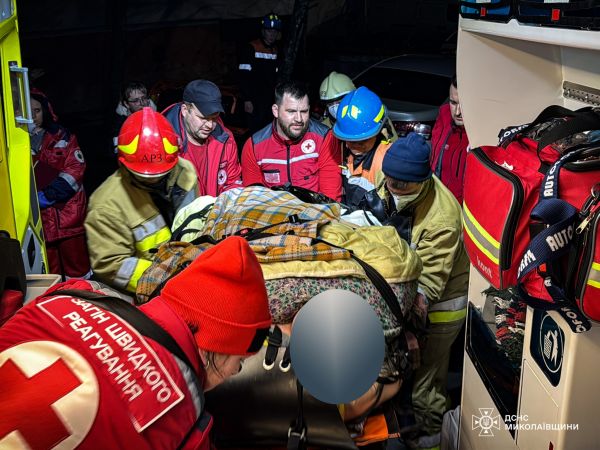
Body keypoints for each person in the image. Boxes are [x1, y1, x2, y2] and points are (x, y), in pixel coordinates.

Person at [0, 236, 272, 449]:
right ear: (217, 348)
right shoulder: (186, 424)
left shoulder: (73, 294)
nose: (231, 375)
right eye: (238, 364)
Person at [374, 133, 469, 450]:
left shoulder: (442, 218)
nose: (395, 191)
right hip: (408, 291)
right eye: (391, 184)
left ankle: (432, 441)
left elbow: (425, 289)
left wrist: (408, 331)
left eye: (404, 188)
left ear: (423, 181)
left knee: (425, 384)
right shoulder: (390, 178)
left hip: (441, 304)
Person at [85, 107, 198, 294]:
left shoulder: (185, 173)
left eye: (161, 173)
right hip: (143, 288)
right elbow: (113, 264)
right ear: (122, 162)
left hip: (188, 270)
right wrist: (166, 278)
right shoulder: (106, 205)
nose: (154, 179)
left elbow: (195, 225)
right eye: (144, 175)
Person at [241, 80, 342, 201]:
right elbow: (253, 198)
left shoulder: (325, 138)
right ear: (275, 111)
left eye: (304, 111)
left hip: (315, 214)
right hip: (272, 214)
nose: (299, 119)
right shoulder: (254, 146)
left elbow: (330, 198)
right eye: (291, 111)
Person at [29, 91, 92, 279]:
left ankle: (84, 303)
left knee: (78, 271)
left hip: (68, 216)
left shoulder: (63, 137)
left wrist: (48, 195)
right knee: (50, 274)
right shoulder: (17, 142)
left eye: (37, 110)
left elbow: (75, 169)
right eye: (28, 111)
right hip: (41, 222)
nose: (33, 116)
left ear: (46, 111)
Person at [163, 79, 242, 196]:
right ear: (185, 110)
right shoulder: (163, 142)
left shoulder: (226, 140)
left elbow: (232, 184)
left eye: (214, 118)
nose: (210, 125)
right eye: (203, 118)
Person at [332, 86, 393, 209]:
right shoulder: (342, 150)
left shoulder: (388, 160)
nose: (352, 146)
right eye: (348, 140)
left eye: (360, 141)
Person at [238, 13, 282, 133]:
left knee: (269, 129)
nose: (272, 34)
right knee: (255, 130)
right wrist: (247, 99)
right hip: (254, 99)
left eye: (274, 31)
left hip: (269, 99)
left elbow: (275, 76)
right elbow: (243, 76)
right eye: (269, 31)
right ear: (263, 31)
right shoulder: (252, 47)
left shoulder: (275, 50)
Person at [429, 75, 469, 205]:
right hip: (434, 204)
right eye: (453, 102)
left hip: (462, 214)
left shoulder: (483, 134)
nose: (457, 112)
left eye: (464, 104)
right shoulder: (444, 115)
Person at [112, 81, 157, 153]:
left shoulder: (157, 117)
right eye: (136, 100)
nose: (142, 103)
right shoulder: (120, 125)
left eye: (144, 98)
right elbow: (117, 152)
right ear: (126, 104)